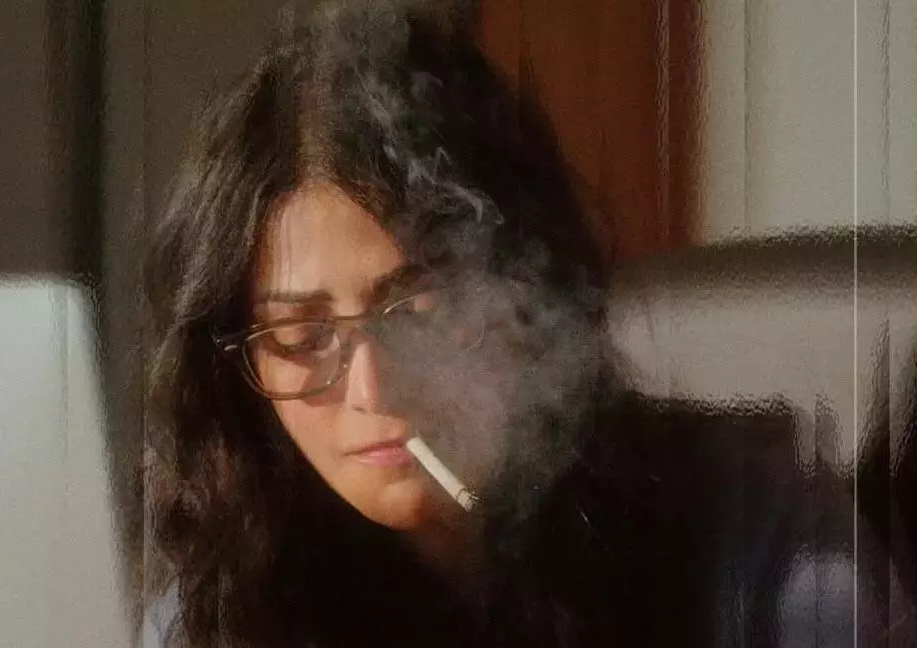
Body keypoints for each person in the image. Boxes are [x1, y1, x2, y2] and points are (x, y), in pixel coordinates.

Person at [142, 3, 903, 646]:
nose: (372, 389)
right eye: (303, 336)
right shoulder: (224, 609)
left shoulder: (758, 543)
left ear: (526, 275)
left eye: (415, 306)